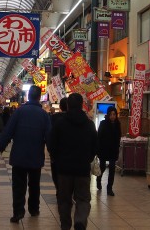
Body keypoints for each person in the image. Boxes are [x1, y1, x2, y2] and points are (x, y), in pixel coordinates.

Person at [0, 85, 51, 223]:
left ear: (28, 96)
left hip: (19, 156)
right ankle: (34, 209)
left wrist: (1, 145)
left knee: (18, 186)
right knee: (34, 185)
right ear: (39, 97)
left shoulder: (19, 112)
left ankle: (18, 212)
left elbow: (8, 131)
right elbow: (49, 136)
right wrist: (53, 152)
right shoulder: (44, 115)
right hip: (36, 156)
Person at [49, 93, 97, 230]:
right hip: (82, 169)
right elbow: (95, 146)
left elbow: (52, 145)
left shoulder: (60, 124)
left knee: (64, 199)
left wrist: (57, 159)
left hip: (64, 169)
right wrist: (87, 159)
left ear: (68, 106)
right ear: (82, 105)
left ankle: (65, 224)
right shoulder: (89, 124)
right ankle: (80, 221)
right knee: (83, 199)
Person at [96, 106, 121, 196]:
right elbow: (99, 137)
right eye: (111, 114)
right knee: (102, 167)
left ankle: (109, 188)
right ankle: (99, 180)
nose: (112, 116)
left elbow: (118, 138)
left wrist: (117, 149)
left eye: (114, 114)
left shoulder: (118, 124)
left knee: (112, 169)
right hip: (103, 149)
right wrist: (97, 149)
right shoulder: (103, 123)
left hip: (113, 150)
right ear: (108, 115)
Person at [50, 97, 68, 190]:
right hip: (71, 153)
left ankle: (59, 190)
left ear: (60, 106)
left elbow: (50, 136)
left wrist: (51, 153)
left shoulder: (54, 118)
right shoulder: (79, 118)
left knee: (56, 173)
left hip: (57, 153)